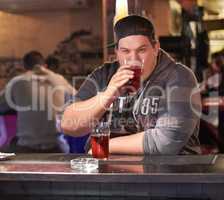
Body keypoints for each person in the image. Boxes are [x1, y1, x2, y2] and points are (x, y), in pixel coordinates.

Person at [61, 15, 201, 155]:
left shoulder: (179, 76)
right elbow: (68, 124)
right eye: (125, 51)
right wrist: (108, 95)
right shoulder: (104, 75)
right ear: (116, 52)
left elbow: (166, 141)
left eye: (141, 50)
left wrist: (106, 145)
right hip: (111, 172)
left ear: (156, 48)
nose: (134, 59)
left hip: (168, 173)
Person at [0, 51, 75, 153]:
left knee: (6, 150)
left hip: (26, 148)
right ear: (45, 66)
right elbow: (78, 101)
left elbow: (1, 105)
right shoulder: (60, 79)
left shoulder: (17, 82)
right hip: (56, 147)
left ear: (25, 67)